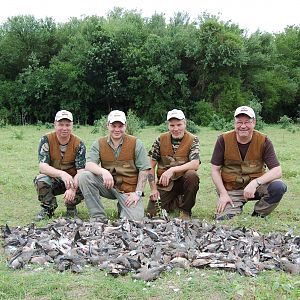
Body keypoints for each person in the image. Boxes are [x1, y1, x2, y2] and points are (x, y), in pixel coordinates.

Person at [211, 105, 287, 220]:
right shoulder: (223, 140)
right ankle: (233, 207)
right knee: (223, 219)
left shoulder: (264, 141)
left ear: (254, 122)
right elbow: (215, 170)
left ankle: (258, 215)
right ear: (234, 123)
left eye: (247, 122)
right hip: (232, 189)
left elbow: (277, 171)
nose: (243, 126)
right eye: (239, 122)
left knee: (278, 187)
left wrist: (255, 183)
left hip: (256, 187)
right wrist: (223, 194)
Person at [78, 110, 150, 222]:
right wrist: (104, 172)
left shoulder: (136, 143)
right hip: (108, 186)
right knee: (84, 176)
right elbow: (89, 164)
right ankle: (98, 217)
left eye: (120, 126)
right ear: (108, 126)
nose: (117, 129)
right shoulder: (99, 143)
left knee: (134, 221)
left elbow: (144, 170)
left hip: (129, 190)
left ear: (125, 126)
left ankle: (123, 207)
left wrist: (138, 193)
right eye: (113, 125)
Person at [147, 109, 200, 220]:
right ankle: (177, 201)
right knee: (152, 213)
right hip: (165, 184)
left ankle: (186, 210)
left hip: (183, 181)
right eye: (172, 125)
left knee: (192, 176)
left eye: (179, 124)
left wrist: (172, 170)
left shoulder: (193, 139)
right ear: (168, 126)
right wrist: (153, 189)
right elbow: (150, 166)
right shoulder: (160, 139)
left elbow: (195, 164)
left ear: (185, 123)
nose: (176, 129)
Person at [34, 110, 86, 220]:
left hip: (73, 180)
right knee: (40, 179)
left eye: (67, 125)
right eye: (61, 124)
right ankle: (48, 208)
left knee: (85, 180)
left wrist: (72, 188)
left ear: (72, 125)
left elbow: (81, 171)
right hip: (54, 179)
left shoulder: (79, 143)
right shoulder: (46, 140)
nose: (64, 128)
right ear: (55, 124)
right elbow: (42, 167)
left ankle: (71, 207)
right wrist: (62, 174)